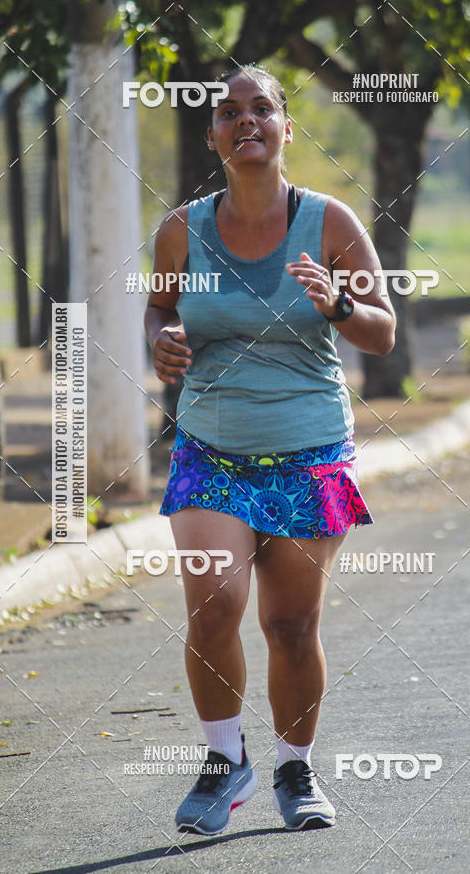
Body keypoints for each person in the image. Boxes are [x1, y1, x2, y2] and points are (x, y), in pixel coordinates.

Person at [144, 63, 395, 835]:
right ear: (213, 135)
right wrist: (163, 344)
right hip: (210, 449)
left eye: (262, 109)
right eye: (229, 112)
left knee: (291, 627)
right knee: (213, 603)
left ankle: (295, 768)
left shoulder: (330, 224)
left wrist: (340, 302)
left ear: (287, 126)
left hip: (309, 449)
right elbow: (157, 310)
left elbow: (381, 331)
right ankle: (226, 762)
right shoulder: (182, 229)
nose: (246, 121)